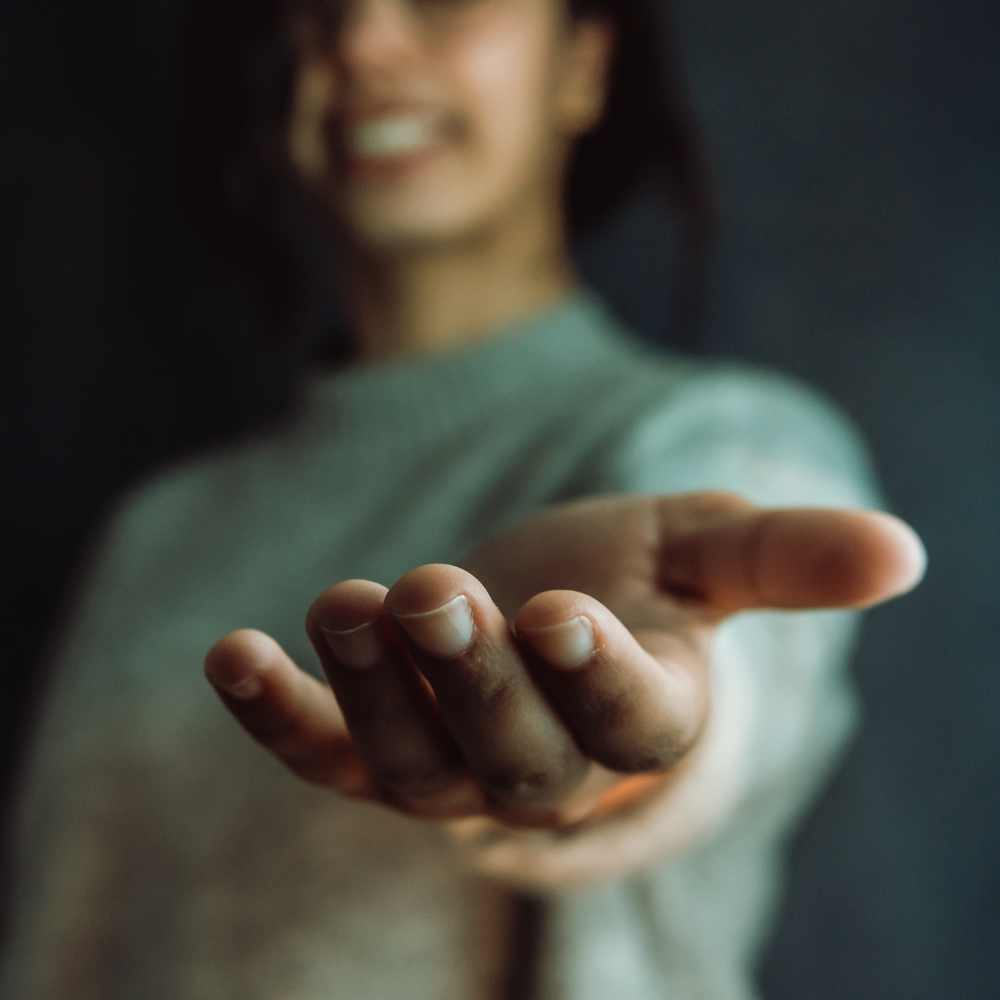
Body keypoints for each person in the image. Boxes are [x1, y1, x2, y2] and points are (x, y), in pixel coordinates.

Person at [1, 1, 927, 998]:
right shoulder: (159, 530)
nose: (358, 45)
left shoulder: (712, 436)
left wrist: (626, 738)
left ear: (581, 62)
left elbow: (727, 684)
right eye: (315, 15)